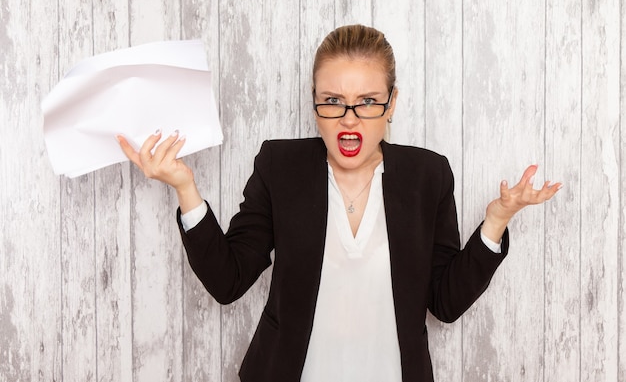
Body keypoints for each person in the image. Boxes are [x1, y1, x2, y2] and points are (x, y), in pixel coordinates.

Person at [117, 24, 561, 382]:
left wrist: (497, 220)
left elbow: (444, 303)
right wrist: (185, 187)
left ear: (392, 104)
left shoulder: (428, 176)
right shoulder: (280, 166)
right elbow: (228, 281)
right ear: (314, 104)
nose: (349, 119)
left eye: (367, 102)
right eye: (333, 101)